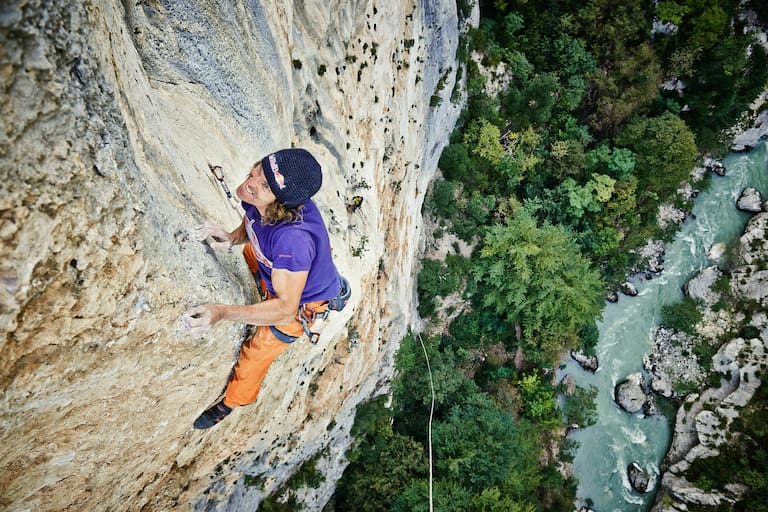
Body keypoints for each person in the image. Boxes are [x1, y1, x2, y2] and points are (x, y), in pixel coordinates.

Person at [183, 148, 344, 429]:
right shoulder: (260, 198)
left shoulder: (292, 241)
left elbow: (284, 310)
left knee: (257, 353)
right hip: (279, 272)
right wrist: (233, 237)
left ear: (280, 203)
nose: (251, 182)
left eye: (265, 184)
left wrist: (220, 312)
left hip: (299, 305)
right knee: (249, 255)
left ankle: (232, 402)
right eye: (258, 170)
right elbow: (254, 222)